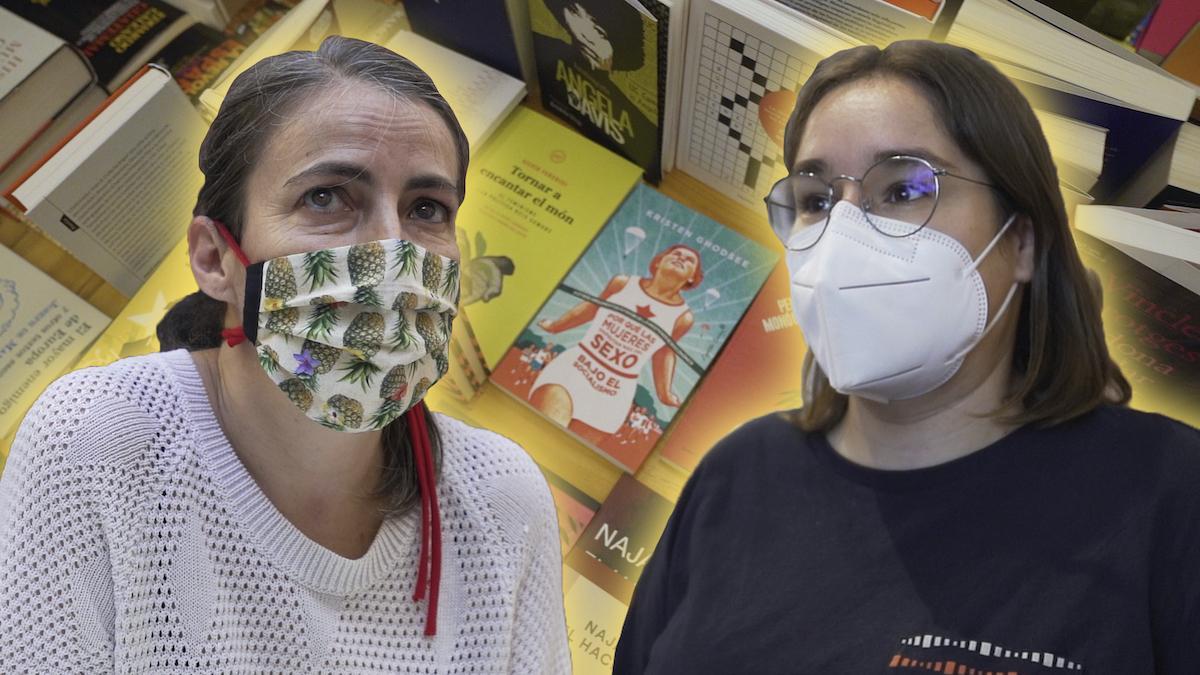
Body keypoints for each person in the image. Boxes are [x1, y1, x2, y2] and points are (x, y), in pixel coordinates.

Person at [614, 40, 1200, 674]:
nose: (842, 236)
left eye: (903, 189)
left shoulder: (1168, 492)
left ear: (1023, 241)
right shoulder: (738, 472)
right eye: (814, 201)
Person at [0, 36, 570, 673]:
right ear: (215, 259)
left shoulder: (502, 496)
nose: (392, 250)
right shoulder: (98, 442)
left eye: (426, 208)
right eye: (326, 197)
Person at [530, 244, 701, 446]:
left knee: (565, 452)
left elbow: (664, 351)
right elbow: (592, 307)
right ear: (658, 261)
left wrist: (665, 393)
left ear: (692, 278)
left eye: (689, 260)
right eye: (675, 254)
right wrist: (556, 326)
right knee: (543, 436)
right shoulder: (623, 283)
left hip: (615, 391)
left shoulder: (683, 317)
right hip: (576, 368)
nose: (681, 258)